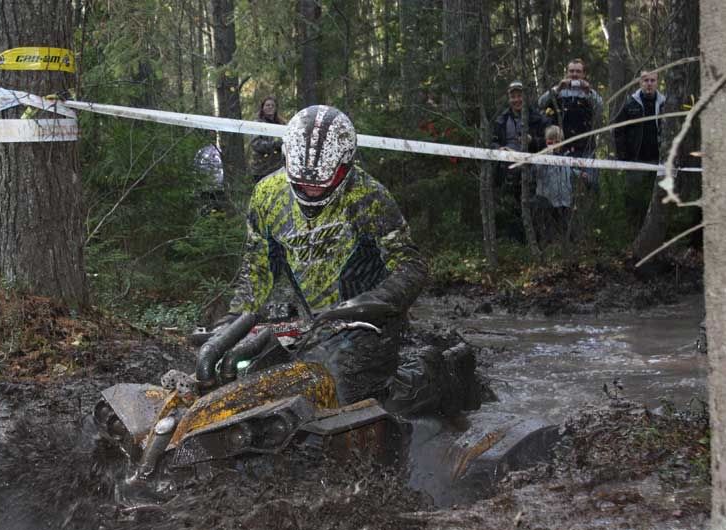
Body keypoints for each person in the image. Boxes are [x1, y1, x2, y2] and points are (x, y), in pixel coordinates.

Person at [226, 105, 476, 416]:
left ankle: (430, 387)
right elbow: (256, 268)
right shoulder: (267, 195)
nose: (311, 191)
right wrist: (234, 322)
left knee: (344, 396)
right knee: (243, 377)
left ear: (345, 167)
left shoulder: (368, 196)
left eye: (320, 184)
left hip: (367, 322)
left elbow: (412, 265)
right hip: (310, 323)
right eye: (303, 183)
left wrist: (371, 302)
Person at [491, 80, 551, 242]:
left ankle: (536, 241)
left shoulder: (539, 119)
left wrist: (533, 141)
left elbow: (551, 143)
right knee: (511, 207)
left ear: (526, 97)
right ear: (509, 98)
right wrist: (499, 149)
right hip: (508, 171)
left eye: (520, 96)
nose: (517, 100)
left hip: (534, 172)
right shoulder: (501, 119)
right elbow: (492, 141)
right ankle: (513, 243)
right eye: (513, 96)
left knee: (533, 208)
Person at [612, 70, 666, 233]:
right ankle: (631, 231)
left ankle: (654, 233)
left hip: (659, 161)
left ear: (657, 82)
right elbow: (617, 129)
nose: (649, 83)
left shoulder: (665, 103)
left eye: (652, 80)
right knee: (633, 198)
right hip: (635, 160)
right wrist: (623, 156)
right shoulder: (631, 103)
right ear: (640, 83)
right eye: (645, 81)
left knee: (656, 199)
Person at [538, 59, 604, 158]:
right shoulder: (558, 91)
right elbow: (541, 103)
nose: (574, 74)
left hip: (585, 146)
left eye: (578, 71)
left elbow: (600, 108)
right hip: (560, 146)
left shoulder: (589, 93)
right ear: (567, 73)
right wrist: (558, 89)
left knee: (586, 173)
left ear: (584, 74)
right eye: (571, 71)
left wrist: (588, 92)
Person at [248, 96, 285, 182]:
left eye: (272, 105)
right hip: (261, 169)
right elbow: (256, 144)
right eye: (267, 105)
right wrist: (276, 144)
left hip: (278, 168)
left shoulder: (281, 124)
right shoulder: (257, 124)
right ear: (263, 107)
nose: (270, 107)